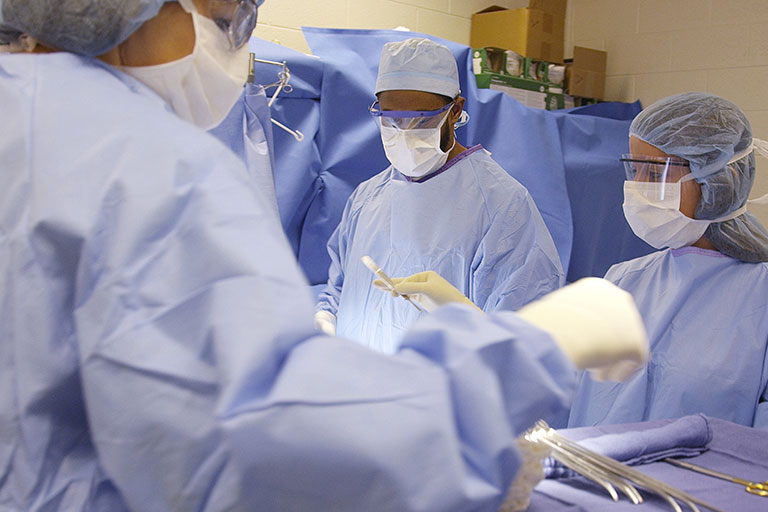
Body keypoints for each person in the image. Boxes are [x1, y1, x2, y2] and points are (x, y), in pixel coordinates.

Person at [0, 1, 648, 509]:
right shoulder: (133, 159)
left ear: (457, 113)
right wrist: (539, 347)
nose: (234, 36)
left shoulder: (30, 121)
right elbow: (285, 466)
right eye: (225, 14)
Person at [314, 38, 565, 353]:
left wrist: (467, 322)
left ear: (455, 110)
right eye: (392, 119)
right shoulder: (368, 197)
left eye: (422, 120)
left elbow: (523, 341)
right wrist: (326, 318)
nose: (405, 132)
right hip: (360, 389)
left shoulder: (500, 206)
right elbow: (337, 291)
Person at [566, 92, 768, 428]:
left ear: (717, 181)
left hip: (705, 481)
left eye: (655, 173)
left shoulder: (760, 297)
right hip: (595, 477)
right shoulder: (622, 281)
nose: (638, 189)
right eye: (634, 170)